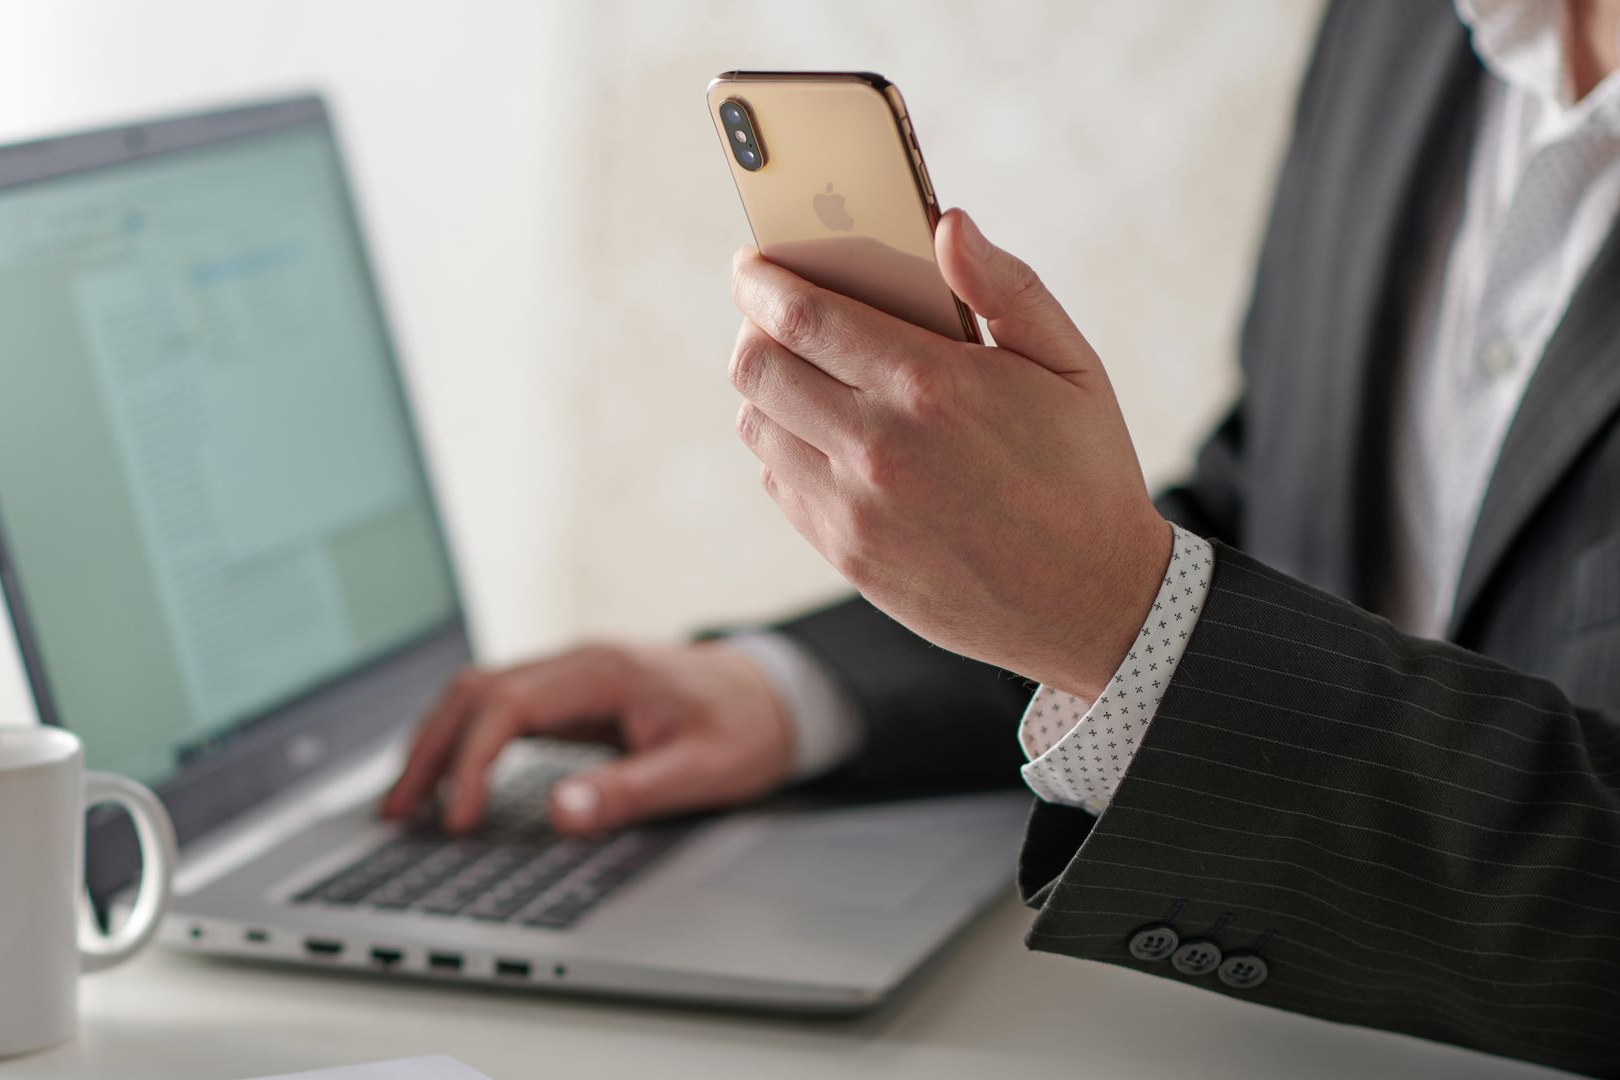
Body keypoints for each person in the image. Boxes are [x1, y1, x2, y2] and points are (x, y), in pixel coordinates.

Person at [381, 0, 1620, 1073]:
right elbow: (1270, 521)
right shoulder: (1399, 26)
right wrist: (784, 691)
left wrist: (1120, 619)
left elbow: (1157, 607)